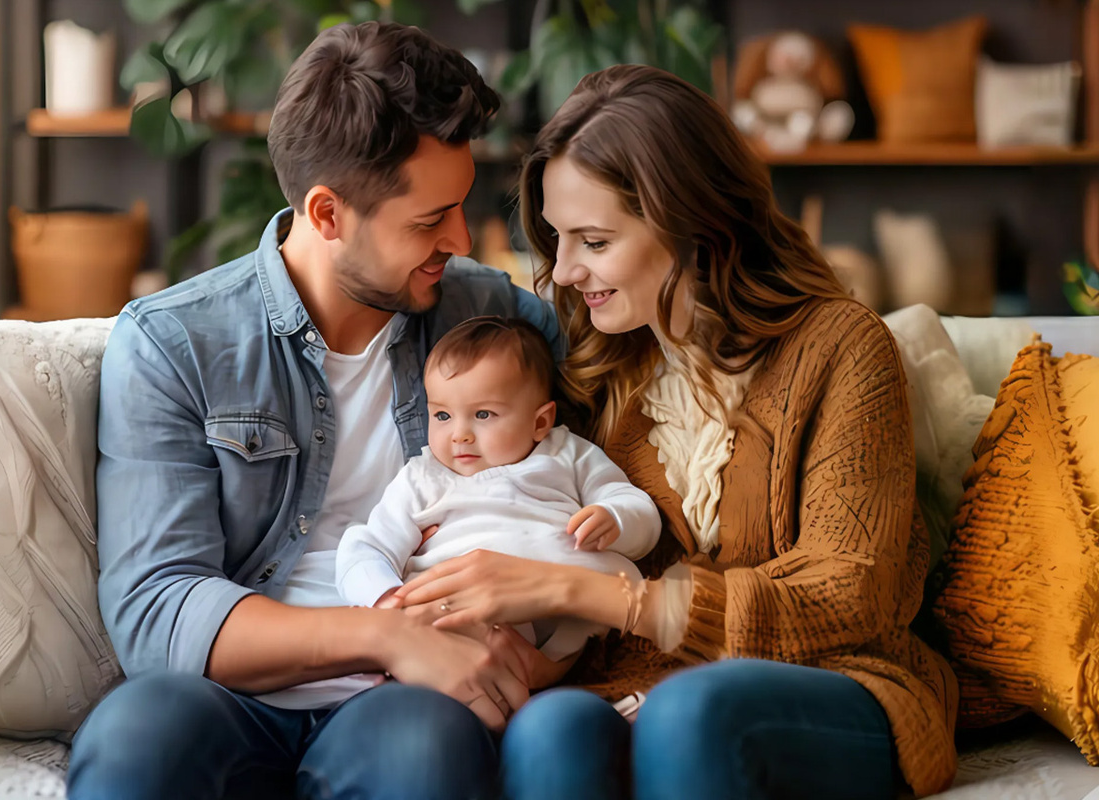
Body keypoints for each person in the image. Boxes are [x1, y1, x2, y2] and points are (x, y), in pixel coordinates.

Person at [390, 64, 959, 800]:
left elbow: (851, 592)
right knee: (550, 729)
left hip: (835, 681)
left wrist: (618, 601)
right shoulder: (597, 373)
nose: (562, 271)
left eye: (593, 241)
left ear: (690, 224)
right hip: (639, 688)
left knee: (692, 713)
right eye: (558, 239)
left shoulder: (843, 349)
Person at [66, 21, 564, 800]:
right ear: (327, 213)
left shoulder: (493, 318)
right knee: (136, 738)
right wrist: (386, 635)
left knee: (425, 753)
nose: (462, 240)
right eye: (430, 220)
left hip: (400, 705)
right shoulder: (175, 342)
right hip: (232, 696)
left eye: (461, 207)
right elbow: (160, 609)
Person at [336, 316, 660, 665]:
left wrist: (615, 518)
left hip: (565, 598)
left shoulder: (567, 453)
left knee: (617, 590)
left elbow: (635, 506)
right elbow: (367, 546)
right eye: (442, 416)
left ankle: (551, 668)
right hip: (458, 613)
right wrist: (385, 598)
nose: (460, 434)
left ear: (540, 423)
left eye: (484, 414)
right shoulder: (423, 477)